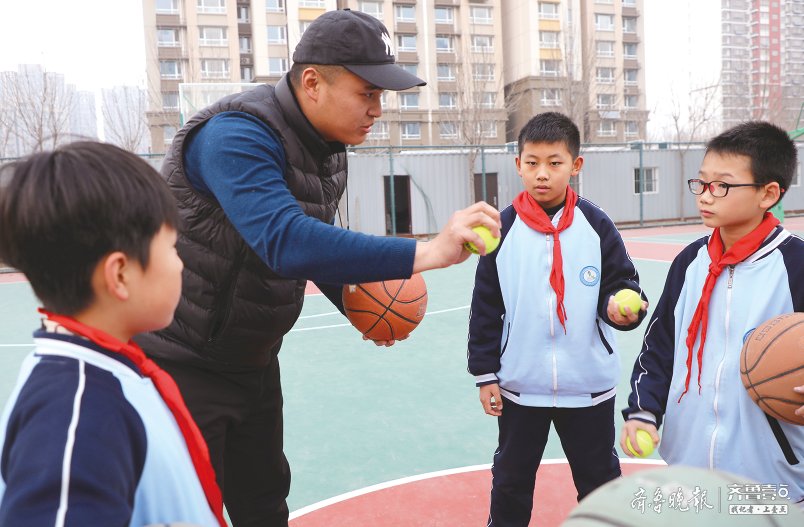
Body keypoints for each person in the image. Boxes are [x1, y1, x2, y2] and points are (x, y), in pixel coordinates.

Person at [134, 8, 500, 527]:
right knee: (185, 513)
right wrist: (427, 252)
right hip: (181, 362)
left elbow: (312, 239)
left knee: (263, 505)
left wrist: (353, 299)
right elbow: (283, 239)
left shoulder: (328, 147)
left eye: (381, 97)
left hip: (253, 359)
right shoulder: (234, 136)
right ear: (313, 82)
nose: (377, 110)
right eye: (367, 93)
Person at [0, 142, 225, 527]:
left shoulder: (100, 372)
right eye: (172, 247)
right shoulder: (75, 412)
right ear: (119, 274)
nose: (179, 263)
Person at [467, 112, 649, 526]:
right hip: (520, 385)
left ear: (576, 165)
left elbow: (623, 285)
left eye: (554, 162)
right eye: (532, 163)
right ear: (518, 165)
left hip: (587, 386)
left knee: (600, 482)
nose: (542, 174)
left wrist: (621, 309)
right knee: (511, 481)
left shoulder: (596, 223)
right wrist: (485, 373)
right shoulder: (501, 227)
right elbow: (485, 305)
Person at [621, 121, 804, 504]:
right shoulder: (690, 262)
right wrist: (643, 411)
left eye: (721, 185)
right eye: (701, 183)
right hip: (689, 473)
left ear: (768, 193)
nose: (705, 196)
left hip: (773, 478)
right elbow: (659, 349)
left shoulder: (796, 265)